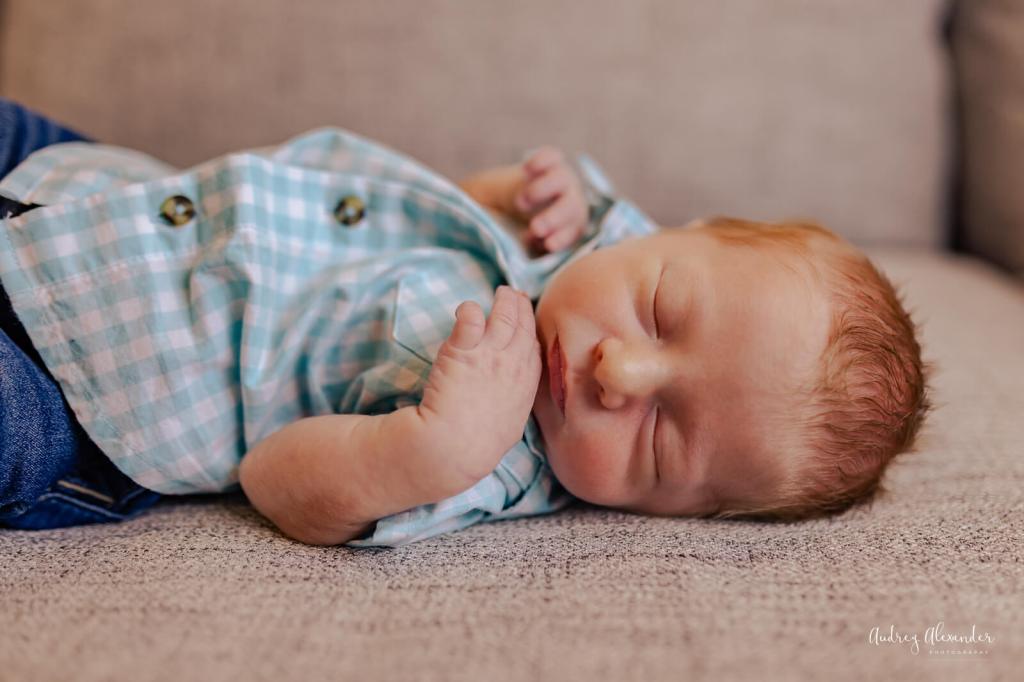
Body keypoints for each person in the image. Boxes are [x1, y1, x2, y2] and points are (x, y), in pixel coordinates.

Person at [0, 99, 929, 547]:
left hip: (89, 397)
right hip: (89, 188)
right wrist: (510, 194)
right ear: (679, 231)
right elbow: (430, 208)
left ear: (672, 510)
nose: (619, 374)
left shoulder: (495, 466)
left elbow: (274, 479)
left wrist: (422, 451)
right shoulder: (586, 236)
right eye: (660, 310)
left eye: (659, 439)